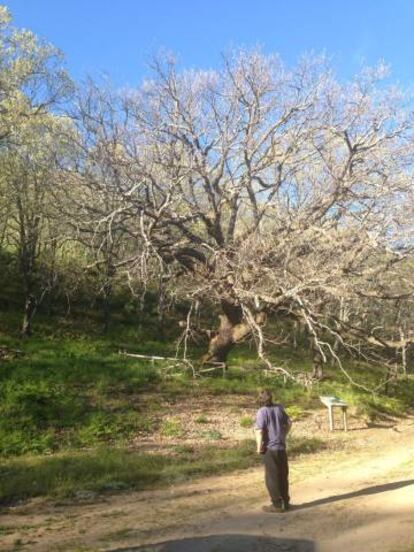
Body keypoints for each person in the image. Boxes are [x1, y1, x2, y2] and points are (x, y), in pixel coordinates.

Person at [254, 389, 292, 513]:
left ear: (260, 400)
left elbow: (259, 431)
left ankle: (277, 504)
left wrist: (259, 447)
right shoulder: (279, 408)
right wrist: (283, 436)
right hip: (281, 447)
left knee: (271, 477)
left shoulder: (261, 412)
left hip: (270, 448)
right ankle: (285, 502)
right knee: (282, 475)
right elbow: (289, 423)